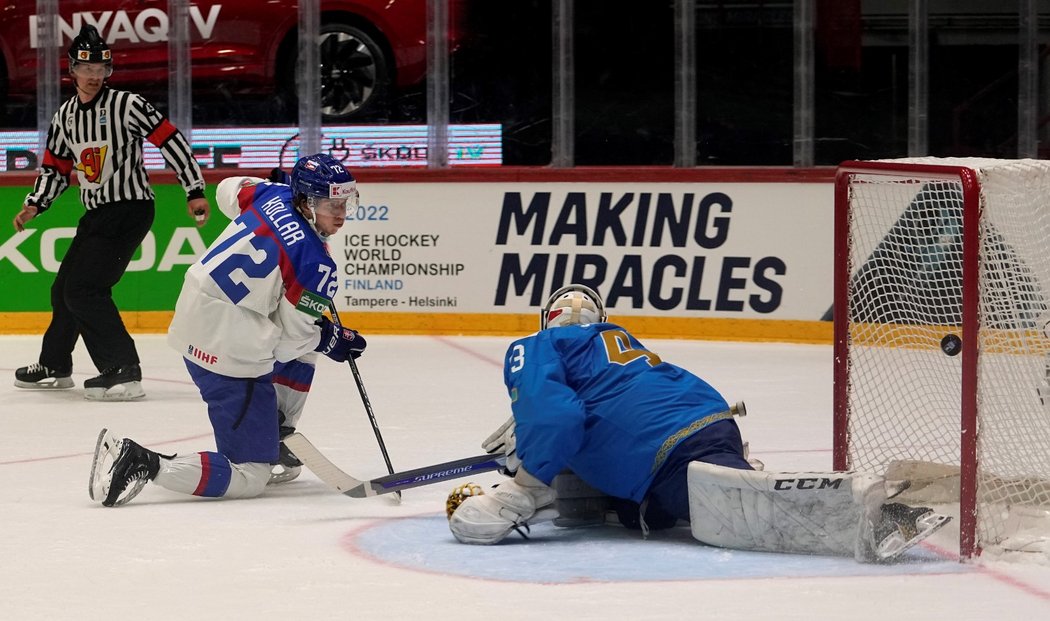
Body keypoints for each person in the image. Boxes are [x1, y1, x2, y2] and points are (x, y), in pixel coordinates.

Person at [446, 284, 951, 562]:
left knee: (739, 517)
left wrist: (524, 484)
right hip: (708, 417)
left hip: (659, 452)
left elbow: (555, 415)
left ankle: (869, 512)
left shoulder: (536, 346)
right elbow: (596, 409)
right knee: (662, 505)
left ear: (547, 320)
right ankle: (742, 472)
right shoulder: (617, 345)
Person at [88, 153, 367, 508]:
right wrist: (330, 338)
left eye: (345, 203)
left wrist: (276, 188)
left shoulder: (269, 195)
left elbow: (225, 189)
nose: (341, 214)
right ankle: (144, 463)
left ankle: (274, 432)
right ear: (307, 202)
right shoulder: (316, 265)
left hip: (194, 316)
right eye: (331, 204)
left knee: (306, 340)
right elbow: (287, 345)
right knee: (251, 475)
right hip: (231, 349)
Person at [12, 24, 210, 401]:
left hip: (130, 208)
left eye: (101, 70)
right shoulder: (65, 117)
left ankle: (123, 370)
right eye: (87, 69)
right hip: (97, 213)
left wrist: (194, 189)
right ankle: (55, 364)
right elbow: (56, 169)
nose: (93, 76)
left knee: (85, 289)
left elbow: (171, 141)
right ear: (72, 69)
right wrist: (36, 203)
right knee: (63, 288)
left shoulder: (127, 104)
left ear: (109, 72)